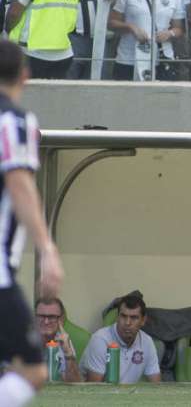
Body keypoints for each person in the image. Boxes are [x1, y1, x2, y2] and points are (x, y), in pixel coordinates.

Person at [0, 38, 64, 407]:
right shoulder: (14, 121)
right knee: (34, 370)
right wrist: (47, 249)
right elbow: (20, 183)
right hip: (0, 273)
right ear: (25, 76)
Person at [81, 293, 161, 383]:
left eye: (134, 318)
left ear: (143, 320)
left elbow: (156, 384)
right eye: (123, 316)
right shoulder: (100, 340)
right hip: (102, 395)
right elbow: (94, 389)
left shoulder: (147, 342)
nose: (127, 323)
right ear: (117, 317)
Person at [34, 297, 81, 382]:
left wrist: (68, 352)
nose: (46, 322)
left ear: (61, 320)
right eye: (41, 316)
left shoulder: (63, 340)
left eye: (52, 317)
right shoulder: (23, 339)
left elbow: (75, 384)